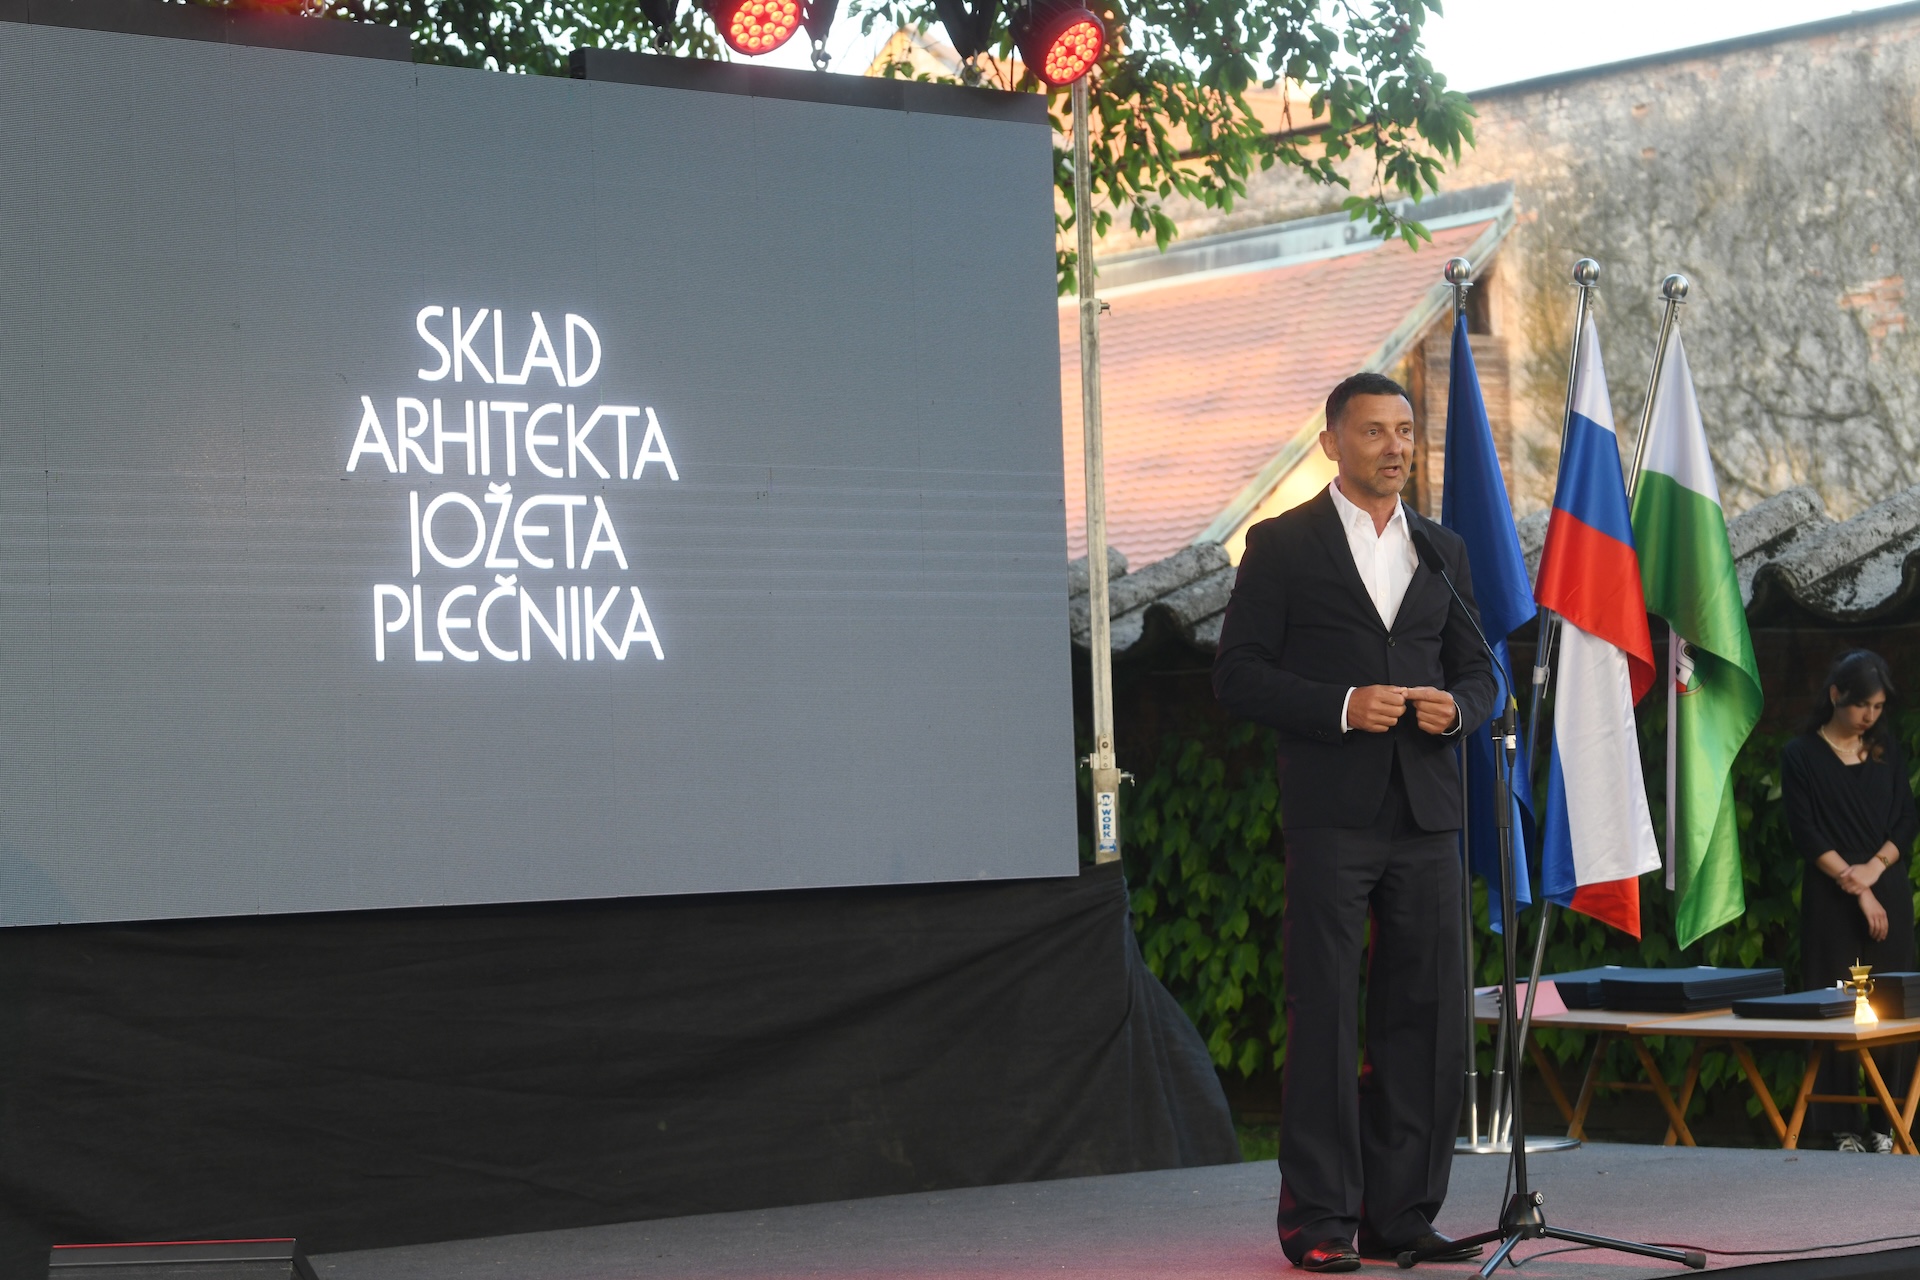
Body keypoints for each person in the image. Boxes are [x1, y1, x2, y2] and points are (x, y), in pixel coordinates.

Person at [1213, 372, 1496, 1272]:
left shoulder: (1442, 549)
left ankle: (1402, 1217)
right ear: (1333, 443)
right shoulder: (1281, 545)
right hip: (1333, 816)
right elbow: (1237, 675)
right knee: (1327, 1015)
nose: (1395, 446)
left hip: (1427, 815)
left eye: (1405, 431)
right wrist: (1341, 705)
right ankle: (1321, 1223)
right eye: (1375, 431)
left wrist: (1459, 709)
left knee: (1427, 1017)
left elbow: (1482, 672)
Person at [1781, 649, 1918, 1153]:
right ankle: (1840, 1127)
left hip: (1888, 890)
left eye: (1878, 707)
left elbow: (1906, 819)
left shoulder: (1885, 750)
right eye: (1862, 705)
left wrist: (1875, 871)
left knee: (1894, 1004)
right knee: (1837, 1003)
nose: (1870, 716)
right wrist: (1857, 887)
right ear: (1836, 694)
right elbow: (1806, 832)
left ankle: (1889, 1124)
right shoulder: (1801, 755)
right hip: (1832, 899)